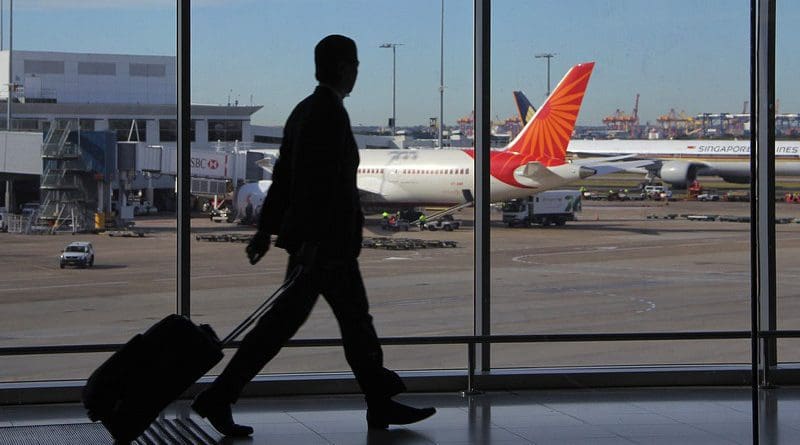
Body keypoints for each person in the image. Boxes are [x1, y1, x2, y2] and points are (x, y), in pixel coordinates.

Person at [191, 35, 436, 437]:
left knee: (319, 325)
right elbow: (318, 185)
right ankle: (221, 396)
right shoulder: (329, 113)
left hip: (316, 243)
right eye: (355, 65)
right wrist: (314, 241)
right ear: (342, 68)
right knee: (344, 325)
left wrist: (267, 232)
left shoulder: (305, 110)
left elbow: (285, 177)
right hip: (326, 247)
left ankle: (378, 403)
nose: (358, 72)